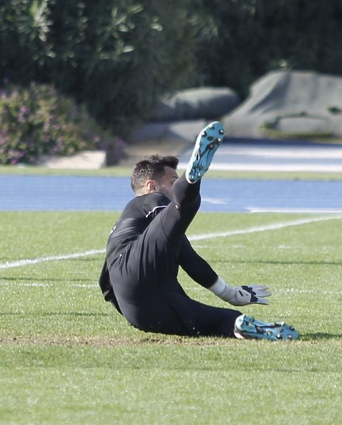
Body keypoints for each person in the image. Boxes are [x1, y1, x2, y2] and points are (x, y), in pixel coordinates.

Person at [100, 121, 299, 341]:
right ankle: (191, 179)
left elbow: (106, 285)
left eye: (177, 182)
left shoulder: (124, 227)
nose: (171, 188)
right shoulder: (150, 199)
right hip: (136, 269)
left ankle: (244, 326)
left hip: (139, 308)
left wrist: (130, 307)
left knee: (221, 320)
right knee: (182, 207)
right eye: (172, 181)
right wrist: (228, 292)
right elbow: (188, 256)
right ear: (151, 186)